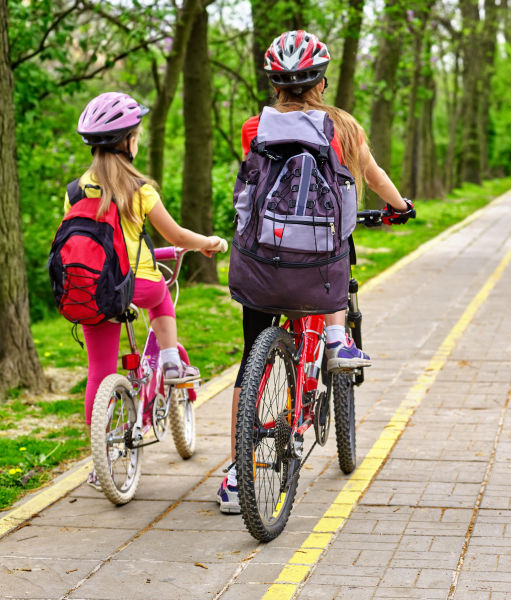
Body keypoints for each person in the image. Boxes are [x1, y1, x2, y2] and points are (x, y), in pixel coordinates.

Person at [217, 31, 414, 514]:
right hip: (322, 269)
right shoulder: (345, 128)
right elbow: (371, 174)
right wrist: (400, 206)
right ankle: (334, 339)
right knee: (335, 271)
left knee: (250, 358)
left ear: (274, 83)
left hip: (263, 263)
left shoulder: (253, 128)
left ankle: (239, 473)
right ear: (322, 81)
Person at [70, 92, 227, 488]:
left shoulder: (76, 191)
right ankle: (172, 360)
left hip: (91, 290)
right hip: (135, 285)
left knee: (99, 370)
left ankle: (100, 457)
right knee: (159, 295)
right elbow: (174, 235)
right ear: (127, 141)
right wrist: (208, 241)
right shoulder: (140, 189)